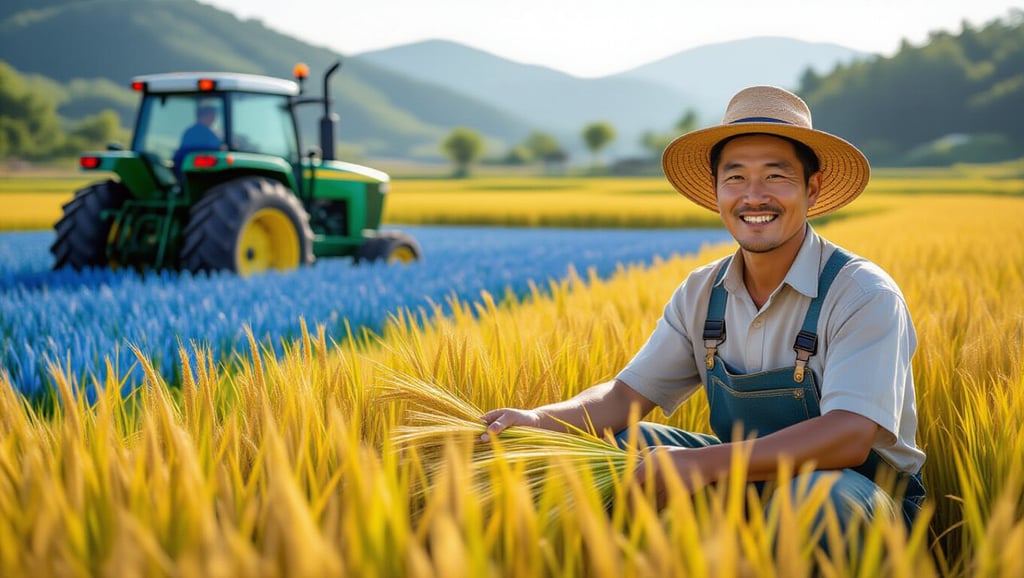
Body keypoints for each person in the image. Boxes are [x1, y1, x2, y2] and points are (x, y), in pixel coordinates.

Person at [480, 86, 925, 538]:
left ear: (812, 188)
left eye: (775, 177)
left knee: (815, 498)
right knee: (611, 449)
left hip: (863, 500)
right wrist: (537, 421)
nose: (754, 196)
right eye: (735, 178)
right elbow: (623, 398)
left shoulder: (862, 293)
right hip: (746, 481)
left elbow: (850, 434)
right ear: (715, 192)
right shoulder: (702, 292)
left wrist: (704, 462)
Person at [172, 102, 223, 171]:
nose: (214, 118)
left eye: (214, 116)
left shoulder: (189, 131)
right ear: (202, 116)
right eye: (211, 115)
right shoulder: (204, 133)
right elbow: (219, 149)